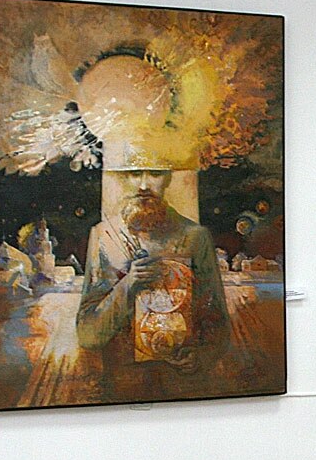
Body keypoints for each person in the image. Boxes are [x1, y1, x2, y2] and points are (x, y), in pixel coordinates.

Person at [77, 169, 229, 403]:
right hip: (124, 384)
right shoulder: (103, 236)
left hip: (184, 386)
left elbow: (217, 323)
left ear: (168, 178)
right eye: (134, 173)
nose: (143, 186)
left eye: (156, 173)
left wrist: (200, 356)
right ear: (123, 178)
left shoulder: (195, 236)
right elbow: (88, 335)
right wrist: (128, 285)